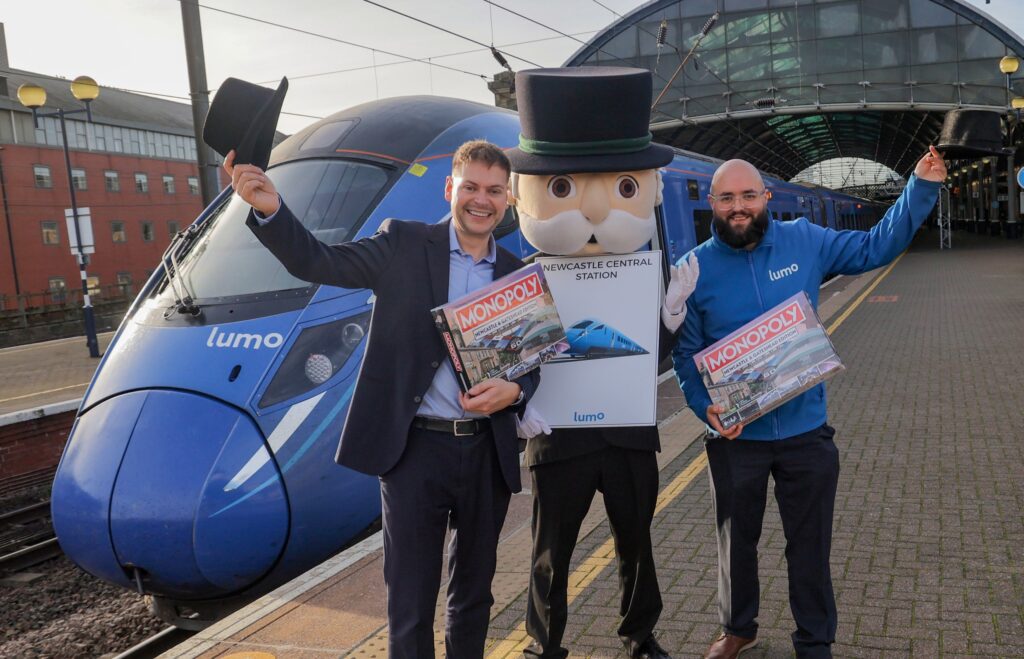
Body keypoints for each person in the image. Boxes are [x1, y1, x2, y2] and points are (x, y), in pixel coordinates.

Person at [226, 139, 540, 659]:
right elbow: (317, 260)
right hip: (414, 451)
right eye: (470, 187)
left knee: (474, 596)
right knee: (411, 599)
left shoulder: (516, 272)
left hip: (487, 451)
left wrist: (516, 390)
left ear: (507, 198)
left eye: (493, 190)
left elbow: (532, 363)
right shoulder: (403, 244)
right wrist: (272, 210)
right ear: (450, 189)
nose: (481, 200)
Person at [672, 148, 946, 659]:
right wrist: (698, 404)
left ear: (766, 198)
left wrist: (921, 187)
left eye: (748, 195)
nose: (738, 206)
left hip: (806, 432)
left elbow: (873, 248)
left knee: (810, 547)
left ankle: (815, 641)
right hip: (736, 439)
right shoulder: (693, 270)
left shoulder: (805, 238)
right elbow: (685, 354)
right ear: (711, 203)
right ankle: (738, 628)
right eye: (727, 197)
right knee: (736, 545)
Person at [505, 66, 698, 659]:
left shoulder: (648, 273)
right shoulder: (521, 282)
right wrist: (516, 406)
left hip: (628, 438)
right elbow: (505, 360)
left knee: (636, 544)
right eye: (560, 188)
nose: (590, 209)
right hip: (557, 439)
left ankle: (640, 636)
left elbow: (648, 360)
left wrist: (668, 320)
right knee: (549, 553)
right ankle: (544, 644)